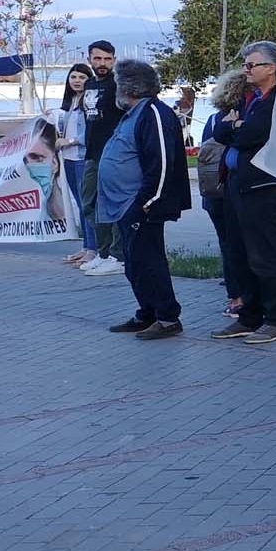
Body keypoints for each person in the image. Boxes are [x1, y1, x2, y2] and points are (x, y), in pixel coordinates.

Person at [98, 60, 193, 341]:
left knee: (149, 261)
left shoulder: (153, 113)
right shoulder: (132, 113)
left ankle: (167, 317)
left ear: (129, 87)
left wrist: (147, 202)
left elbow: (161, 162)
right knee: (134, 262)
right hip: (123, 205)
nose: (115, 89)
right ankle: (147, 312)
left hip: (140, 205)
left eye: (118, 83)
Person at [211, 41, 276, 344]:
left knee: (265, 254)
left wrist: (237, 127)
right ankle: (249, 316)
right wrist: (236, 125)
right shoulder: (248, 99)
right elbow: (220, 131)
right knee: (240, 253)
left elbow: (251, 134)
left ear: (271, 68)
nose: (245, 70)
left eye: (251, 65)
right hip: (236, 184)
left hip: (262, 186)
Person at [201, 71, 250, 317]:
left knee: (227, 244)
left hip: (214, 192)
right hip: (237, 188)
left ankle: (236, 297)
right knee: (245, 245)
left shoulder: (213, 119)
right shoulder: (248, 117)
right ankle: (246, 296)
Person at [77, 40, 127, 277]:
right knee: (90, 204)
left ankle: (118, 256)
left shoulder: (118, 85)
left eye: (107, 59)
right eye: (98, 58)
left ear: (114, 60)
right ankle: (103, 252)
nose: (103, 63)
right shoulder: (89, 84)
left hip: (113, 155)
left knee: (112, 206)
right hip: (92, 153)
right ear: (89, 59)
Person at [57, 63, 95, 264]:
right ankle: (86, 247)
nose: (77, 81)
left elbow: (90, 132)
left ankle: (93, 249)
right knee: (80, 205)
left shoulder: (89, 102)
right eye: (73, 77)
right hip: (68, 160)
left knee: (87, 205)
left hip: (82, 159)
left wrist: (70, 141)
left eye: (82, 77)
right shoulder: (70, 102)